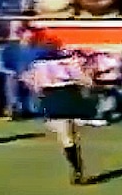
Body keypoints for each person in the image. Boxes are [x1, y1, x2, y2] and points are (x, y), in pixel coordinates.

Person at [28, 44, 103, 186]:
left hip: (53, 98)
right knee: (70, 136)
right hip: (69, 96)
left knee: (67, 137)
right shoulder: (70, 64)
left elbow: (35, 85)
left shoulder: (40, 65)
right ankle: (78, 170)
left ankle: (77, 169)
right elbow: (87, 82)